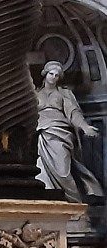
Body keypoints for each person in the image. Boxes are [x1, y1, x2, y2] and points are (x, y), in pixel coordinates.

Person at [35, 60, 104, 203]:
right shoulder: (34, 93)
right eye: (51, 73)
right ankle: (49, 201)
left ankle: (75, 203)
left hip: (59, 131)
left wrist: (85, 127)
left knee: (62, 171)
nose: (53, 77)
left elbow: (73, 113)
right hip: (39, 132)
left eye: (56, 75)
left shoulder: (64, 93)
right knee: (40, 169)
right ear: (45, 74)